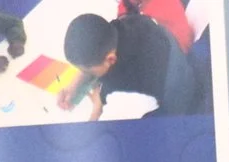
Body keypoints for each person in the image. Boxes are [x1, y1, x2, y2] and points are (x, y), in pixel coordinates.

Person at [60, 8, 194, 118]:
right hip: (182, 69)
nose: (85, 73)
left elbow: (99, 136)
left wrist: (97, 107)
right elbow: (97, 53)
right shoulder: (131, 21)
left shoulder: (119, 93)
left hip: (175, 111)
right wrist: (73, 85)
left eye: (87, 70)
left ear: (110, 59)